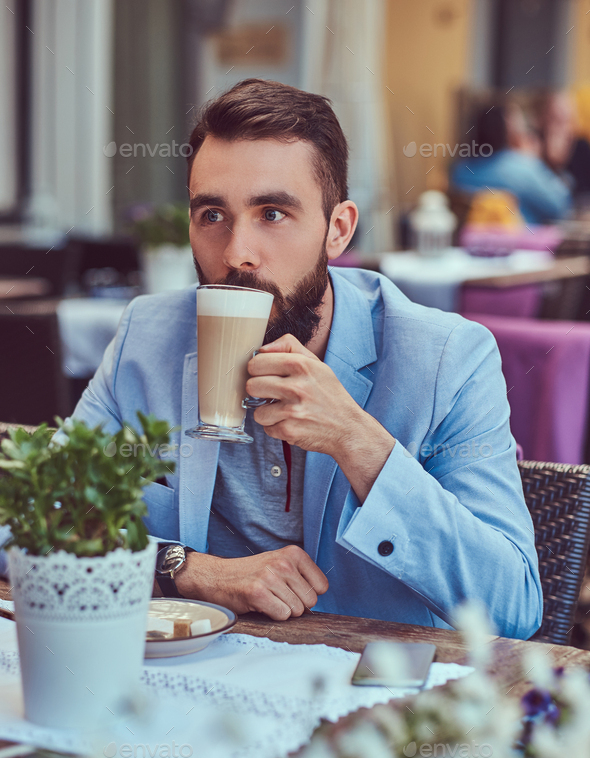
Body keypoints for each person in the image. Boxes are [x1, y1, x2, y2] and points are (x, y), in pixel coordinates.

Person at [51, 80, 543, 638]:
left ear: (337, 229)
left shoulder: (448, 358)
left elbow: (514, 607)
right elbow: (31, 519)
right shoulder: (148, 337)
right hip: (192, 684)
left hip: (370, 695)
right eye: (212, 215)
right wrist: (186, 569)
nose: (237, 252)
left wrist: (358, 441)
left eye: (273, 213)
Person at [450, 102, 571, 225]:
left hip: (473, 240)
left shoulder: (459, 170)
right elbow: (558, 207)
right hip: (520, 240)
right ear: (508, 130)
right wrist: (546, 163)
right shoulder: (522, 168)